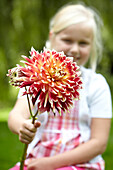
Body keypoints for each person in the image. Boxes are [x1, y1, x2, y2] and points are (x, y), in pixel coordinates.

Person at [8, 2, 112, 170]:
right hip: (36, 159)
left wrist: (50, 164)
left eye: (83, 43)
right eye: (67, 40)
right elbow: (16, 115)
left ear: (92, 45)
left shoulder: (96, 85)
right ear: (51, 37)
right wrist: (22, 126)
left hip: (80, 163)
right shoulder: (36, 75)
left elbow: (99, 143)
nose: (75, 49)